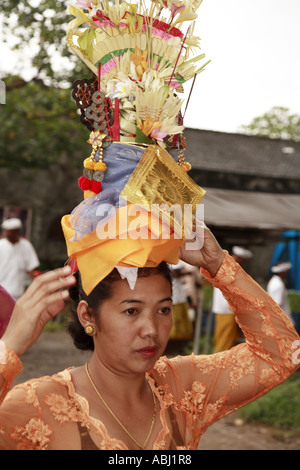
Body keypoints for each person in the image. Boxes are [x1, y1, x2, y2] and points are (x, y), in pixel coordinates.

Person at [0, 226, 299, 450]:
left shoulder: (182, 388)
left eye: (163, 309)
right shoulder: (38, 405)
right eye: (131, 311)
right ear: (88, 316)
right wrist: (9, 346)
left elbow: (280, 354)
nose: (151, 330)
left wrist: (219, 265)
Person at [212, 246, 253, 352]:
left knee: (226, 332)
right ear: (239, 258)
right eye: (243, 260)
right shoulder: (229, 267)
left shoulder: (226, 265)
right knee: (225, 332)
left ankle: (222, 353)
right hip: (226, 306)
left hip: (227, 305)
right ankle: (221, 354)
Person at [0, 218, 40, 299]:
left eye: (10, 232)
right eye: (6, 231)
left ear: (17, 231)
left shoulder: (26, 246)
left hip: (17, 292)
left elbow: (31, 269)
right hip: (1, 290)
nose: (7, 234)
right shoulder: (1, 245)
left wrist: (32, 290)